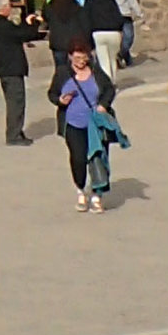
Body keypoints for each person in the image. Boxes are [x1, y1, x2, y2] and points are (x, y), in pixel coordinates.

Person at [58, 46, 119, 213]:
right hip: (73, 125)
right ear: (70, 56)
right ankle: (80, 191)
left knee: (98, 159)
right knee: (78, 159)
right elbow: (52, 93)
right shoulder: (63, 73)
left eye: (84, 58)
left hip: (96, 125)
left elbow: (109, 90)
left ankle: (96, 196)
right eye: (77, 58)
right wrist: (61, 100)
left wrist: (103, 105)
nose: (81, 61)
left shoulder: (96, 72)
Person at [0, 0, 39, 147]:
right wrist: (30, 24)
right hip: (12, 69)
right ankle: (14, 135)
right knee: (16, 103)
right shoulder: (4, 26)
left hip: (3, 68)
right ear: (4, 7)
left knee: (13, 101)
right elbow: (23, 35)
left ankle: (16, 131)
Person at [105, 0, 142, 73]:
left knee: (117, 38)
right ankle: (121, 54)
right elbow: (133, 2)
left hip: (112, 16)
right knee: (128, 37)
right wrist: (139, 13)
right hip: (125, 15)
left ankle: (125, 58)